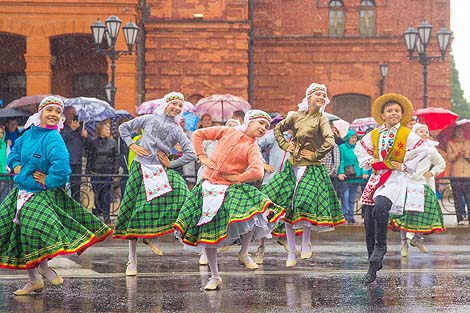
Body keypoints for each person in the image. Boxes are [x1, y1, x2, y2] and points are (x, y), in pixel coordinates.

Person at [0, 96, 112, 295]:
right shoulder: (28, 134)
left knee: (35, 230)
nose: (53, 114)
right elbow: (14, 154)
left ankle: (43, 268)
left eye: (57, 112)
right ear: (41, 113)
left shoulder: (54, 138)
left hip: (39, 193)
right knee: (13, 234)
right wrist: (17, 167)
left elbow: (61, 168)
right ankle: (34, 279)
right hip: (20, 191)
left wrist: (48, 181)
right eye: (49, 110)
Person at [174, 110, 285, 291]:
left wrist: (238, 178)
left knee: (253, 211)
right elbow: (198, 134)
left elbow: (258, 171)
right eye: (261, 124)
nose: (264, 128)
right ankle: (215, 276)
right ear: (249, 122)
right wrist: (202, 156)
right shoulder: (228, 131)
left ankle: (244, 252)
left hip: (230, 187)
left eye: (266, 126)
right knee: (207, 230)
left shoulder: (253, 147)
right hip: (209, 185)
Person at [113, 92, 196, 276]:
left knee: (183, 194)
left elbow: (191, 154)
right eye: (174, 103)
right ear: (166, 103)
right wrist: (132, 145)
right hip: (140, 168)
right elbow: (124, 128)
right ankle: (132, 260)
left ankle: (157, 235)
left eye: (179, 106)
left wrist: (171, 163)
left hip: (160, 170)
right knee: (134, 211)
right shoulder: (148, 119)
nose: (176, 107)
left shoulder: (177, 130)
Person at [262, 83, 344, 268]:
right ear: (308, 97)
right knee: (287, 208)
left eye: (324, 95)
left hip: (312, 167)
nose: (321, 97)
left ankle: (306, 241)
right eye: (318, 94)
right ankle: (291, 252)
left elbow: (330, 140)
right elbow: (277, 130)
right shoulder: (295, 117)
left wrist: (316, 155)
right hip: (292, 167)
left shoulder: (321, 119)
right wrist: (287, 146)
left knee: (303, 202)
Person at [354, 93, 428, 284]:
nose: (393, 113)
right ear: (383, 114)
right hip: (376, 177)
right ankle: (373, 266)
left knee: (381, 205)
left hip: (394, 179)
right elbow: (360, 148)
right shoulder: (375, 134)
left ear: (402, 114)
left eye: (397, 110)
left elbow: (422, 150)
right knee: (368, 219)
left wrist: (403, 166)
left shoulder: (406, 134)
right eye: (389, 110)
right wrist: (371, 160)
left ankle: (381, 246)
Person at [389, 123, 446, 257]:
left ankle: (417, 239)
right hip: (407, 184)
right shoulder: (407, 148)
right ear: (414, 134)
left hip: (421, 186)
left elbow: (441, 163)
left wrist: (431, 173)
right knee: (405, 216)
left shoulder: (431, 149)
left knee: (421, 216)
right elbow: (398, 161)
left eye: (426, 132)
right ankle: (403, 244)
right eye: (421, 132)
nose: (425, 134)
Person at [86, 121, 119, 223]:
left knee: (106, 194)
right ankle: (96, 215)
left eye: (109, 129)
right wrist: (88, 172)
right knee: (97, 194)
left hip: (108, 172)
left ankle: (106, 215)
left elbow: (116, 158)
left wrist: (115, 172)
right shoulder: (94, 142)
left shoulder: (112, 142)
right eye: (105, 129)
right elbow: (90, 157)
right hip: (95, 172)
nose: (108, 131)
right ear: (100, 130)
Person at [337, 130, 369, 224]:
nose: (354, 139)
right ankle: (344, 215)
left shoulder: (358, 148)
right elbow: (341, 160)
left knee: (352, 197)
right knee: (345, 196)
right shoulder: (342, 147)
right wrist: (341, 172)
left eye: (355, 138)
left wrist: (364, 172)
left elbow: (362, 160)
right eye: (352, 137)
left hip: (356, 175)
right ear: (348, 138)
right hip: (346, 175)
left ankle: (351, 216)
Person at [61, 105, 88, 202]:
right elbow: (61, 139)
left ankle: (75, 208)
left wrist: (86, 137)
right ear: (65, 114)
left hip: (77, 161)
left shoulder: (80, 128)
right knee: (62, 187)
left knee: (76, 187)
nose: (73, 116)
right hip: (65, 161)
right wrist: (71, 130)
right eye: (70, 114)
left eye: (75, 114)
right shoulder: (61, 127)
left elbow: (87, 146)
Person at [446, 125, 470, 224]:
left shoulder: (468, 142)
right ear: (455, 132)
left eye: (461, 131)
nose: (460, 133)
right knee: (457, 196)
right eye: (458, 131)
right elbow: (450, 158)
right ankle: (460, 217)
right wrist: (458, 154)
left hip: (468, 174)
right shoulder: (451, 143)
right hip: (456, 174)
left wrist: (467, 156)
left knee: (469, 197)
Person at [0, 125, 11, 200]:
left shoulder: (6, 145)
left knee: (3, 196)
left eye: (1, 133)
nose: (0, 135)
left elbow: (9, 157)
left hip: (4, 175)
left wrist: (8, 168)